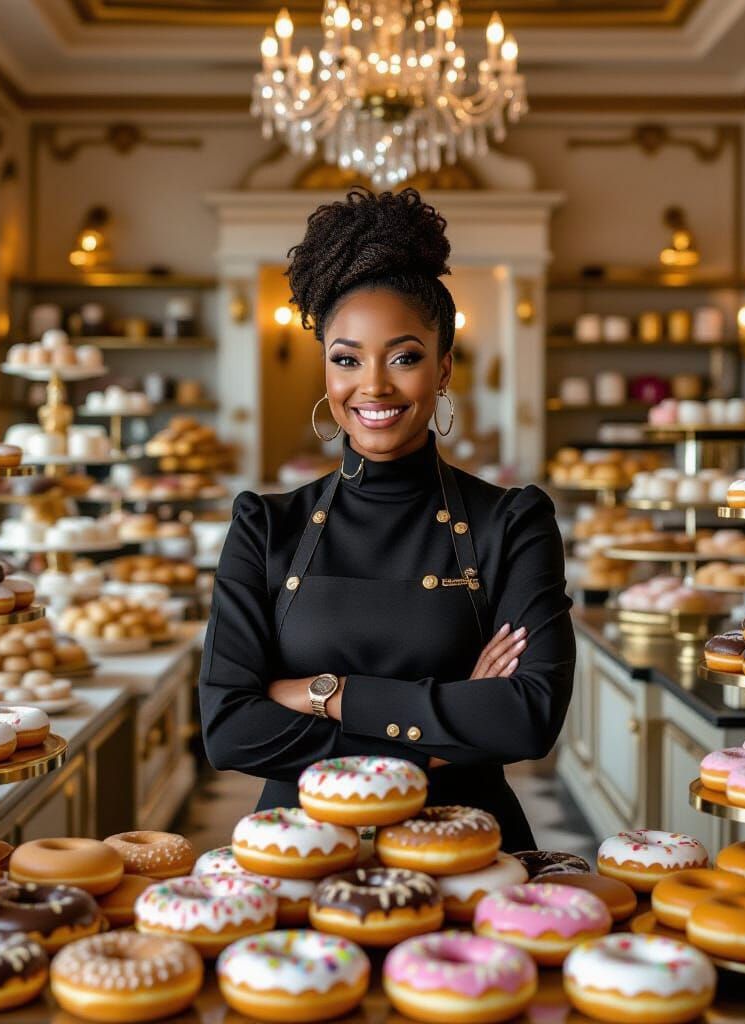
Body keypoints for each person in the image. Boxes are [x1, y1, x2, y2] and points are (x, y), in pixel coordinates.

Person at [199, 186, 575, 850]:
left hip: (468, 847)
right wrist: (444, 731)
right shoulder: (265, 525)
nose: (372, 386)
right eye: (346, 359)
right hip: (296, 848)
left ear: (443, 369)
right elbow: (229, 726)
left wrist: (326, 692)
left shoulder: (512, 521)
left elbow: (527, 717)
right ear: (327, 368)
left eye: (403, 357)